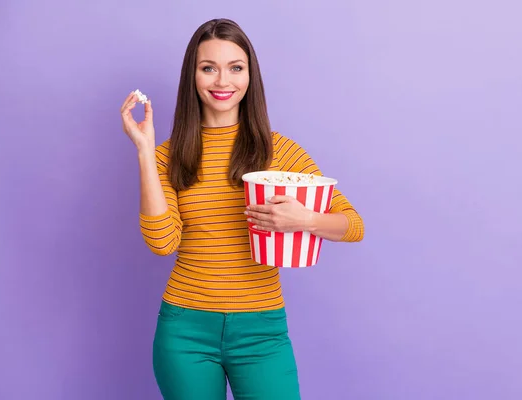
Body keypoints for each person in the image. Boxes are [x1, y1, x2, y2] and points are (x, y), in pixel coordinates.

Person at [119, 18, 364, 400]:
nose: (222, 81)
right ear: (192, 76)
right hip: (185, 330)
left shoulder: (278, 151)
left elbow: (353, 225)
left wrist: (306, 220)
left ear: (250, 76)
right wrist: (146, 154)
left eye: (235, 68)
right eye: (208, 68)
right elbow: (162, 242)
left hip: (262, 330)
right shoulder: (168, 155)